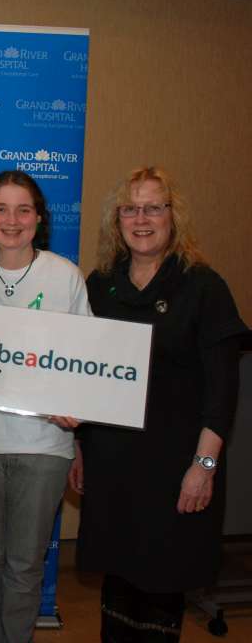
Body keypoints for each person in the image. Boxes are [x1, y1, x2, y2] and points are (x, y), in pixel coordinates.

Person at [73, 167, 246, 642]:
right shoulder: (100, 284)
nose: (141, 218)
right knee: (118, 582)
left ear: (174, 217)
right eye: (130, 208)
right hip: (112, 463)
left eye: (154, 207)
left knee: (161, 584)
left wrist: (204, 466)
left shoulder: (204, 287)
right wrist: (80, 449)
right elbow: (84, 376)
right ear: (117, 220)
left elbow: (222, 392)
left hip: (175, 469)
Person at [0, 171, 90, 643]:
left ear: (39, 218)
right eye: (0, 209)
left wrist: (76, 408)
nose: (11, 220)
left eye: (23, 210)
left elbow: (87, 361)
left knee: (23, 565)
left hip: (44, 445)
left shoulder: (64, 275)